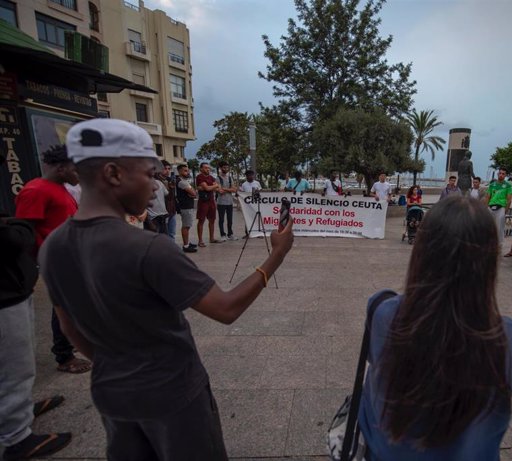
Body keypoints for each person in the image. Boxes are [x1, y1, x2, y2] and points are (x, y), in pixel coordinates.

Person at [40, 118, 294, 461]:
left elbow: (69, 327)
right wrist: (277, 254)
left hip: (111, 391)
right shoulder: (149, 248)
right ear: (114, 174)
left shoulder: (53, 246)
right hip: (172, 395)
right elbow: (226, 308)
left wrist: (118, 365)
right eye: (149, 174)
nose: (156, 186)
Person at [358, 197, 512, 460]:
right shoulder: (510, 338)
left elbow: (376, 360)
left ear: (422, 250)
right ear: (488, 259)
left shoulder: (383, 311)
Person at [14, 145, 91, 375]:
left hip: (71, 257)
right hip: (56, 261)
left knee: (73, 304)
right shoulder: (36, 190)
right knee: (64, 307)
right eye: (77, 170)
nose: (80, 175)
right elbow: (25, 232)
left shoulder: (60, 189)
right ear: (61, 168)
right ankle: (64, 355)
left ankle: (73, 345)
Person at [0, 216, 72, 460]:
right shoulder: (37, 192)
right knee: (14, 365)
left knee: (18, 364)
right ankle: (17, 437)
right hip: (5, 295)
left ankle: (19, 409)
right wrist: (20, 228)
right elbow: (10, 239)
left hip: (14, 289)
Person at [485, 167, 512, 250]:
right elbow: (487, 197)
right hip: (491, 207)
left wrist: (505, 210)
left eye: (503, 174)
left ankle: (499, 245)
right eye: (500, 173)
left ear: (505, 175)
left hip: (501, 207)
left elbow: (509, 199)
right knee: (488, 226)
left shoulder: (508, 186)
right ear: (498, 174)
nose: (501, 175)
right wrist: (486, 208)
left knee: (499, 227)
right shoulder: (492, 185)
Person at [195, 162, 221, 247]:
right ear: (201, 169)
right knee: (201, 220)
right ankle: (200, 240)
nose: (208, 169)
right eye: (206, 168)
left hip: (211, 201)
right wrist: (213, 186)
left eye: (208, 168)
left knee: (212, 220)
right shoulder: (199, 177)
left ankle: (212, 238)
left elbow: (217, 188)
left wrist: (211, 187)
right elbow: (207, 188)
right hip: (203, 201)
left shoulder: (211, 177)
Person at [175, 164, 197, 253]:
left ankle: (187, 242)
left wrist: (192, 192)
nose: (187, 172)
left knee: (187, 225)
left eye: (187, 170)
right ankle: (186, 246)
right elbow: (194, 193)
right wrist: (192, 192)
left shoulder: (184, 181)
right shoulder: (181, 182)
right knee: (186, 226)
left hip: (187, 206)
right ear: (179, 171)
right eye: (185, 171)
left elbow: (193, 192)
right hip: (185, 206)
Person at [216, 161, 238, 241]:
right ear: (221, 168)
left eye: (227, 167)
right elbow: (219, 191)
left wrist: (224, 189)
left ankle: (230, 234)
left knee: (230, 219)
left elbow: (234, 189)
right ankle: (222, 235)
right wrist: (229, 189)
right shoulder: (217, 178)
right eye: (224, 167)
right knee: (221, 219)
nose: (226, 169)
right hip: (221, 202)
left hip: (229, 202)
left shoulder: (230, 178)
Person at [159, 160, 177, 239]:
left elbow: (171, 197)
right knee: (163, 235)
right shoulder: (156, 180)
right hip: (161, 213)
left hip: (171, 211)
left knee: (172, 233)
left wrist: (171, 188)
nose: (167, 171)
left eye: (169, 169)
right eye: (165, 168)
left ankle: (171, 250)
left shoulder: (170, 180)